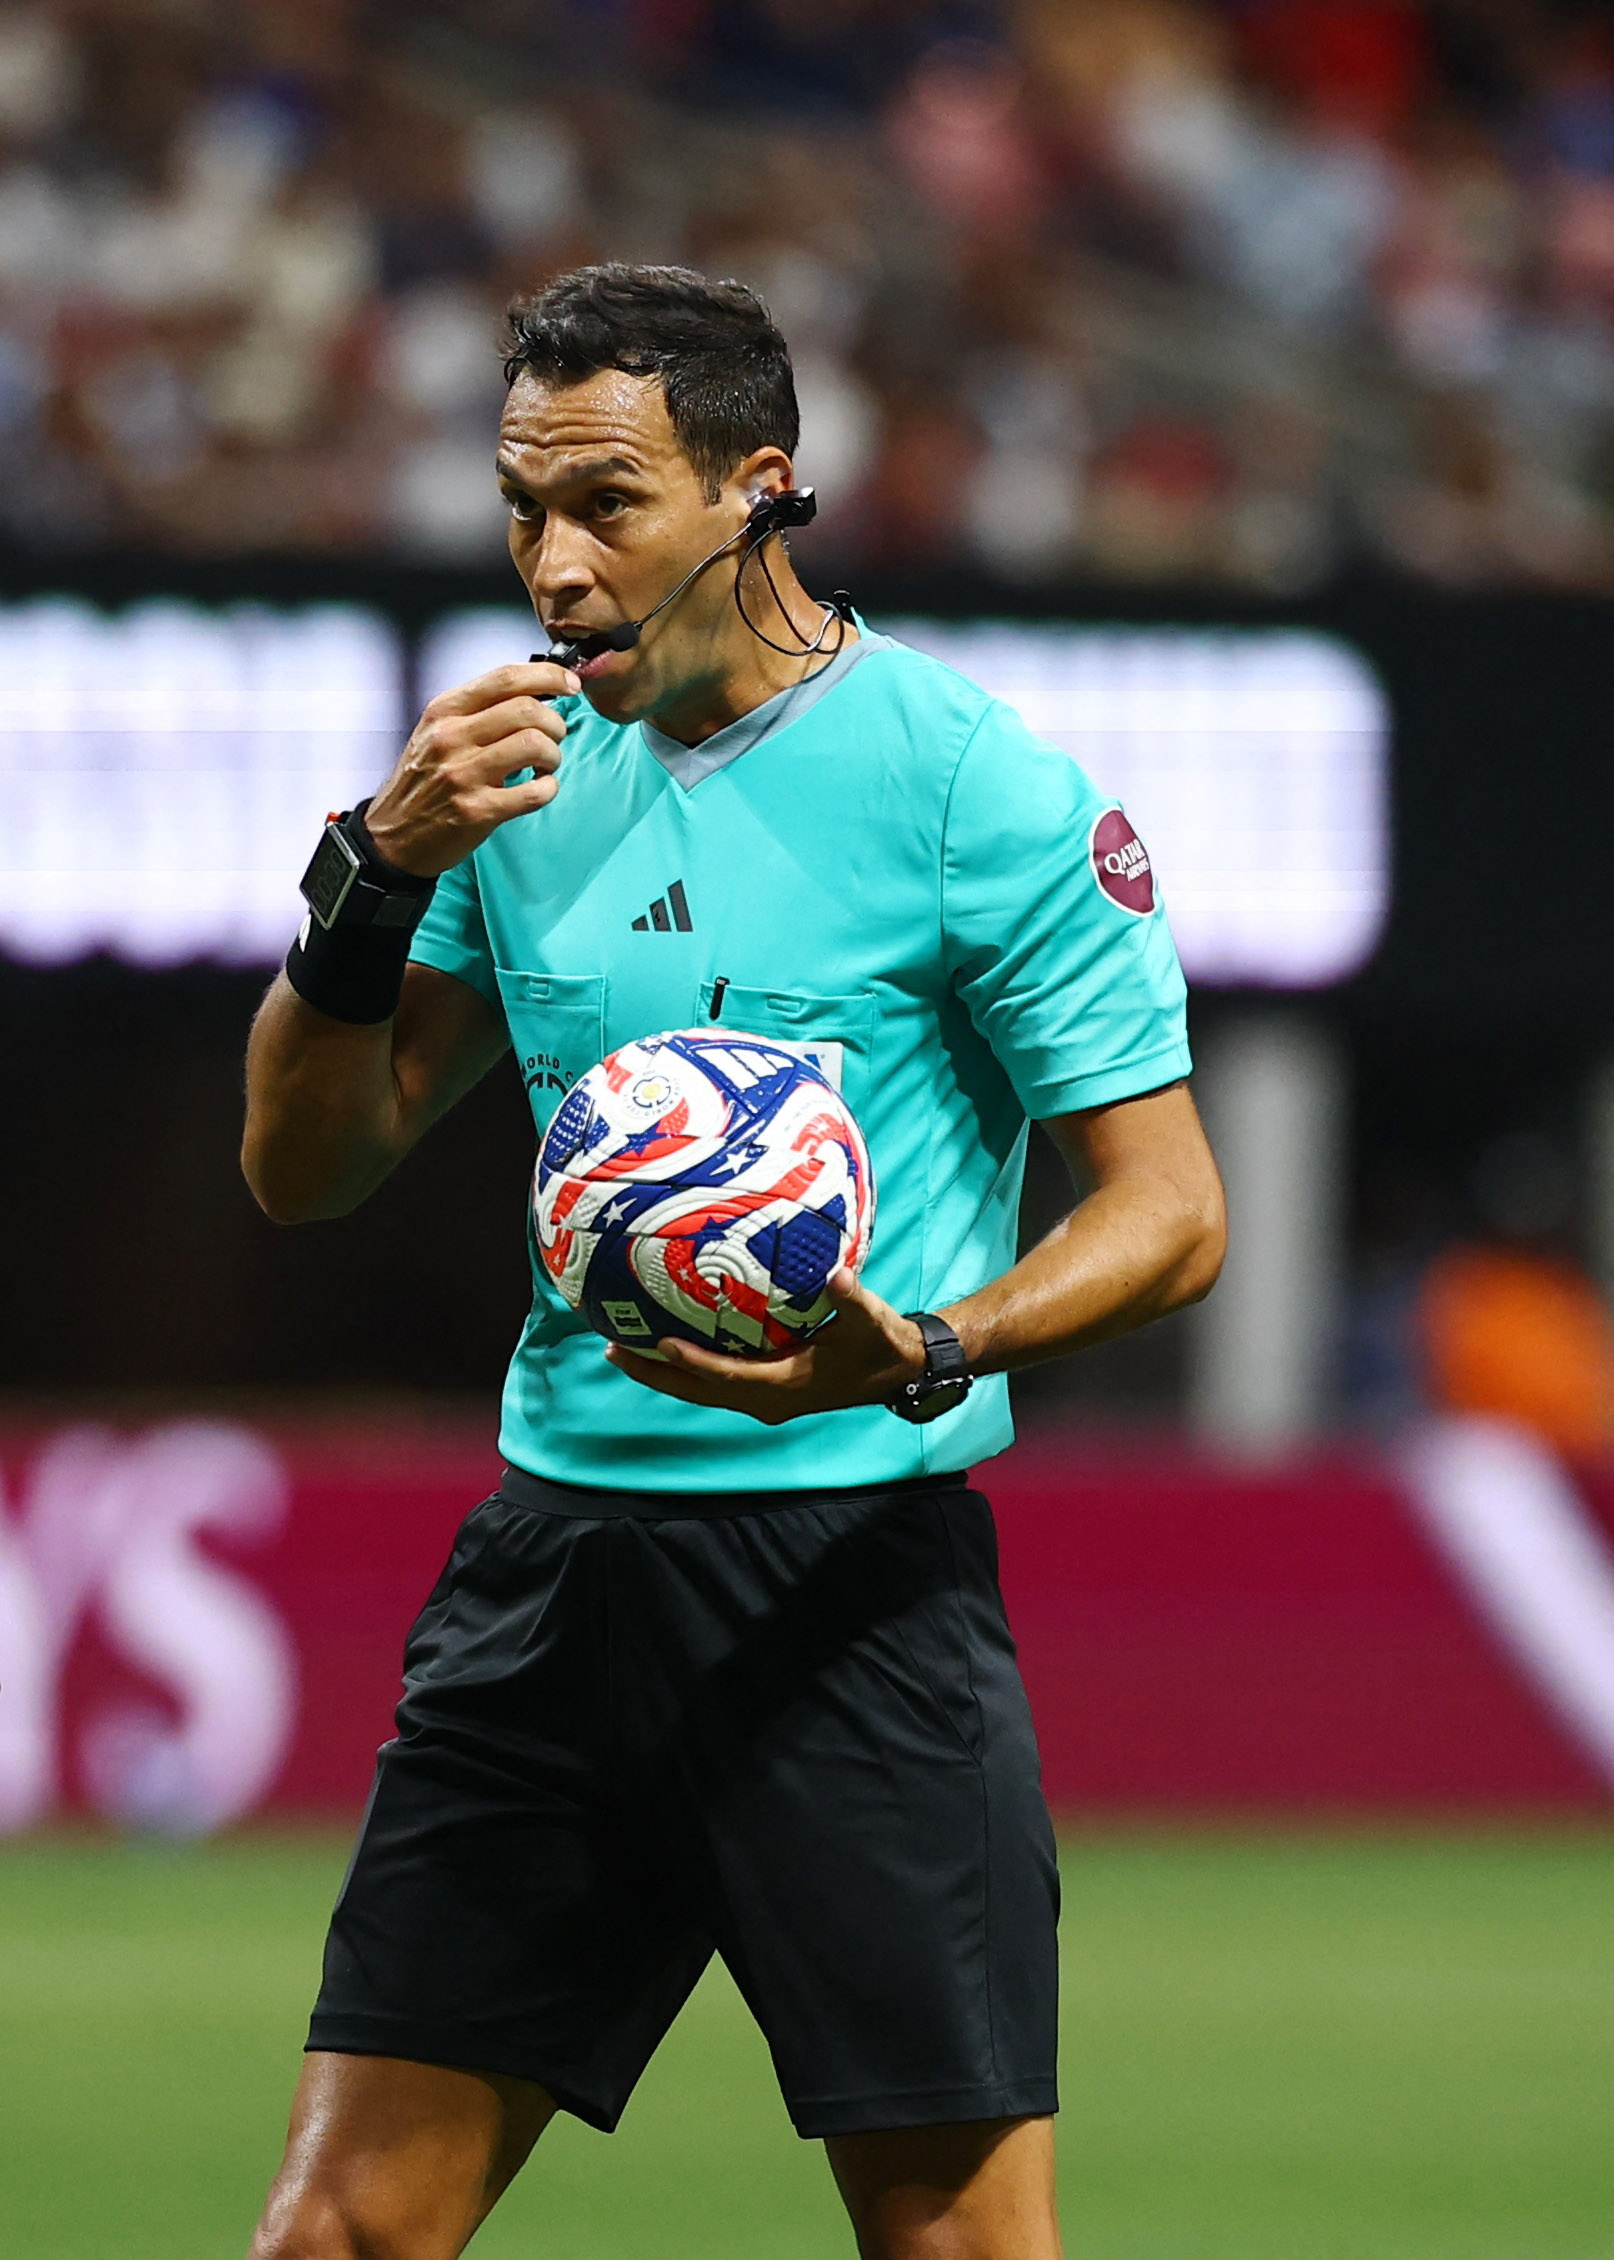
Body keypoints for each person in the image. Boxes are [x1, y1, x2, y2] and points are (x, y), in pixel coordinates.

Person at [238, 264, 1230, 2260]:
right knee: (341, 2226)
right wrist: (373, 878)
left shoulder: (970, 785)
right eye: (521, 507)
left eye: (607, 503)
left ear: (759, 486)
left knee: (955, 2240)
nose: (551, 560)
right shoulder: (507, 779)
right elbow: (302, 1161)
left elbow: (1171, 1208)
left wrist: (934, 1340)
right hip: (551, 1581)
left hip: (849, 1588)